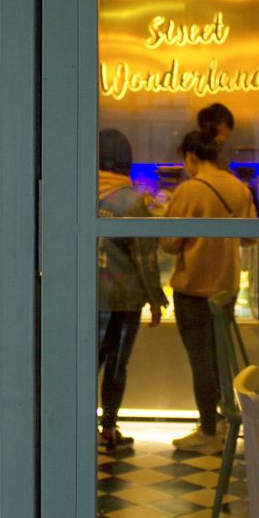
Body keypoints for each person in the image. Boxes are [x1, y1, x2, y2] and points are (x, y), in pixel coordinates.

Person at [160, 130, 255, 454]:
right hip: (226, 288)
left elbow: (169, 243)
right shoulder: (239, 187)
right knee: (216, 359)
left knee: (201, 361)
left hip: (194, 288)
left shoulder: (188, 189)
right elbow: (251, 237)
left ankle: (208, 431)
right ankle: (220, 421)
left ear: (190, 157)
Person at [97, 129, 167, 452]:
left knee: (86, 363)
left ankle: (75, 429)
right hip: (123, 299)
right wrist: (155, 299)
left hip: (85, 298)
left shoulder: (80, 194)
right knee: (115, 365)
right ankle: (108, 431)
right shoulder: (132, 201)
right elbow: (145, 257)